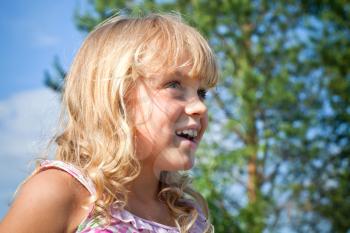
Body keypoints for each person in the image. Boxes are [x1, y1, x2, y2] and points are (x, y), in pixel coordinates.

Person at [0, 12, 218, 233]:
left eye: (202, 92)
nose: (200, 107)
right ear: (116, 97)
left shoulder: (188, 215)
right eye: (174, 85)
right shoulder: (62, 193)